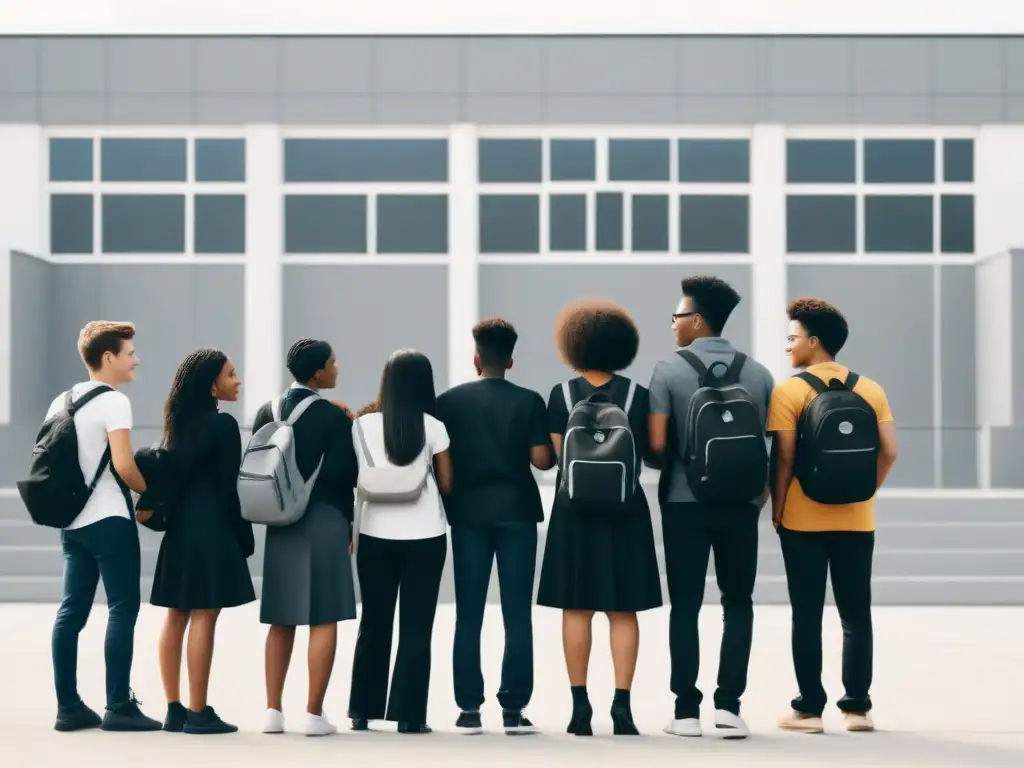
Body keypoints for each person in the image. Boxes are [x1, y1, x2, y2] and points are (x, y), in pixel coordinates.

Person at [647, 276, 775, 739]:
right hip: (741, 504)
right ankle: (729, 708)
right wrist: (759, 496)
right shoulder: (759, 373)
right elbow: (771, 445)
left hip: (685, 502)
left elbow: (658, 446)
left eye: (678, 317)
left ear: (696, 321)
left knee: (685, 605)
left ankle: (685, 710)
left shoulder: (667, 371)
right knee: (738, 602)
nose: (674, 325)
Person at [768, 298, 898, 735]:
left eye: (793, 338)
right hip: (858, 520)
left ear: (814, 341)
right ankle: (857, 709)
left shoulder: (789, 391)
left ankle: (808, 710)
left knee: (806, 613)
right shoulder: (871, 389)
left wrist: (779, 507)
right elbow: (891, 451)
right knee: (855, 613)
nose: (789, 347)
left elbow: (784, 459)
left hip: (804, 519)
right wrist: (866, 491)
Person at [537, 300, 662, 737]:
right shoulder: (638, 395)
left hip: (573, 513)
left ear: (572, 345)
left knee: (576, 607)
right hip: (626, 511)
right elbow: (650, 453)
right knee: (623, 609)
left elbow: (553, 458)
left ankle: (579, 707)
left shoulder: (561, 395)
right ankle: (623, 709)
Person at [436, 318, 553, 736]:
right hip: (518, 513)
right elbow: (542, 460)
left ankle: (469, 709)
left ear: (476, 358)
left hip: (467, 515)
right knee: (517, 615)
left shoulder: (448, 402)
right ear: (511, 360)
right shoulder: (529, 401)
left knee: (468, 614)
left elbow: (438, 460)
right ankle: (513, 709)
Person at [48, 321, 161, 732]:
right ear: (109, 357)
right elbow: (125, 465)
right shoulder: (114, 401)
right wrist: (153, 493)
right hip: (110, 520)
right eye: (130, 353)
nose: (136, 360)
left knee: (70, 612)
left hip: (72, 524)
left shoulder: (62, 400)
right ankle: (118, 705)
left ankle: (68, 707)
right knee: (122, 608)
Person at [253, 339, 359, 737]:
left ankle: (272, 712)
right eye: (332, 363)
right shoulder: (332, 417)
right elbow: (345, 476)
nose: (337, 368)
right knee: (324, 616)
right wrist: (350, 526)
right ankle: (313, 714)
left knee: (281, 618)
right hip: (325, 518)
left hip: (279, 521)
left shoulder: (268, 410)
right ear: (317, 372)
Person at [148, 348, 256, 735]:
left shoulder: (177, 422)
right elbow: (230, 488)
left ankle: (174, 709)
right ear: (213, 385)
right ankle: (199, 711)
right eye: (231, 374)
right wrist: (243, 536)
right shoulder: (223, 425)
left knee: (176, 613)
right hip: (212, 529)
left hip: (180, 529)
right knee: (205, 614)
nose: (237, 380)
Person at [347, 350, 453, 735]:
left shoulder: (362, 425)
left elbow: (354, 475)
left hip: (375, 534)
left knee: (374, 621)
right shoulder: (434, 426)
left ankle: (362, 709)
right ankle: (409, 716)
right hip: (426, 534)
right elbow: (447, 484)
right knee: (416, 625)